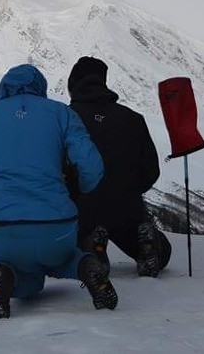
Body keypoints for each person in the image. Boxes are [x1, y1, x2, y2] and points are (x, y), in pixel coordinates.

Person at [0, 64, 117, 319]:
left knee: (26, 283)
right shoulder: (61, 113)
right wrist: (81, 193)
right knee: (66, 258)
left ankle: (5, 275)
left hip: (3, 229)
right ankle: (86, 266)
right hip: (56, 225)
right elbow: (91, 165)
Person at [66, 56, 172, 277]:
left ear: (73, 83)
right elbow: (151, 170)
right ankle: (148, 244)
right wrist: (127, 191)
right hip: (127, 207)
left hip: (81, 209)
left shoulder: (64, 119)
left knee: (66, 248)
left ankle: (91, 246)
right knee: (160, 250)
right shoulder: (133, 119)